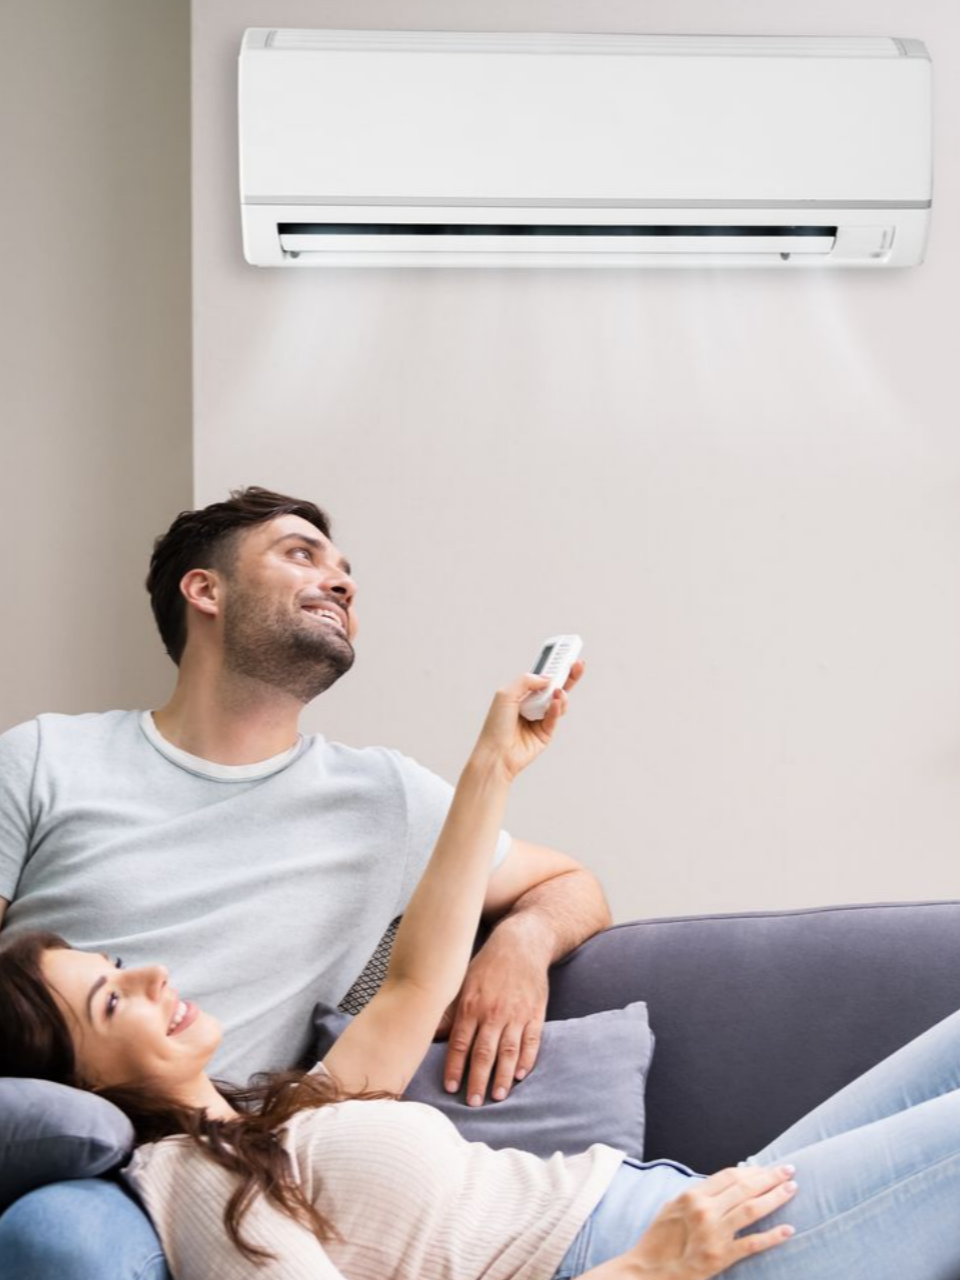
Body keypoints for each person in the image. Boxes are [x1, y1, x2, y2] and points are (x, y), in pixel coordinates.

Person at [5, 679, 960, 1280]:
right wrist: (647, 1271)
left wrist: (493, 763)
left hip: (680, 1199)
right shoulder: (190, 1190)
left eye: (121, 964)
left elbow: (419, 979)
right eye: (111, 997)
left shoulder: (267, 1119)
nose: (153, 975)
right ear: (79, 1083)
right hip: (687, 1255)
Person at [0, 486, 610, 1103]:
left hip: (229, 1149)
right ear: (205, 590)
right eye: (300, 555)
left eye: (345, 574)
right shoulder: (42, 757)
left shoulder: (386, 798)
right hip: (47, 1134)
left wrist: (520, 943)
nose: (341, 584)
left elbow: (569, 884)